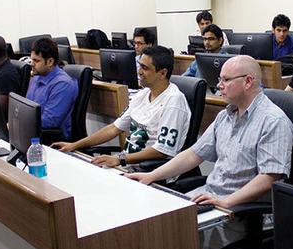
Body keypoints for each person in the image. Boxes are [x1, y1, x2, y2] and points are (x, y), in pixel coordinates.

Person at [126, 55, 293, 249]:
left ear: (247, 81)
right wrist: (151, 176)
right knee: (159, 227)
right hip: (211, 197)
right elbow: (193, 154)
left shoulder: (273, 121)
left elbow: (269, 178)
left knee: (177, 243)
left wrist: (226, 201)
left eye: (225, 80)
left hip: (244, 212)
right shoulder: (226, 115)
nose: (219, 85)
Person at [52, 45, 190, 167]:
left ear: (163, 73)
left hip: (150, 172)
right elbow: (113, 128)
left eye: (145, 68)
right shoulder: (142, 95)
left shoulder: (173, 102)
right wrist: (74, 145)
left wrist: (120, 158)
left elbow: (162, 151)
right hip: (128, 165)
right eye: (140, 65)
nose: (139, 72)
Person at [26, 37, 78, 141]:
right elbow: (27, 108)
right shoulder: (37, 78)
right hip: (33, 132)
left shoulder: (63, 84)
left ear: (50, 61)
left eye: (36, 61)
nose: (32, 64)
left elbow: (49, 121)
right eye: (32, 60)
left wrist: (20, 123)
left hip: (52, 139)